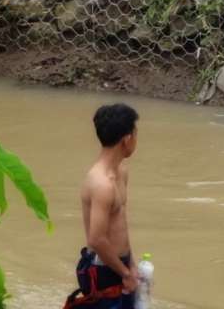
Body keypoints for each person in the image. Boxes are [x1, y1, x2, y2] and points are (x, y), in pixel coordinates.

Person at [64, 103, 140, 309]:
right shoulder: (101, 184)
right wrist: (124, 273)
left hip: (119, 264)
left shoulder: (121, 172)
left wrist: (131, 264)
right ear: (127, 139)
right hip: (103, 268)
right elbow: (97, 239)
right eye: (135, 133)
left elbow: (120, 224)